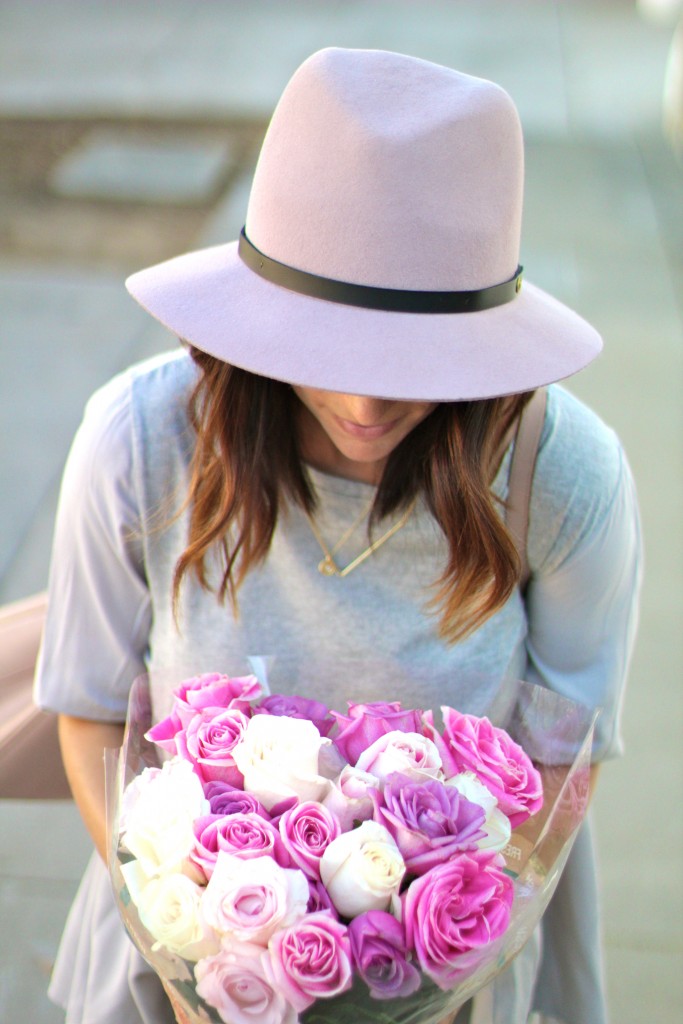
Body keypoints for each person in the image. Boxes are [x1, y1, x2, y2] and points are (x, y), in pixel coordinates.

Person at [34, 47, 642, 1024]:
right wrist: (191, 955)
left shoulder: (560, 473)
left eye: (413, 357)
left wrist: (438, 986)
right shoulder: (138, 440)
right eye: (325, 345)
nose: (363, 399)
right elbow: (93, 718)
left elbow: (565, 758)